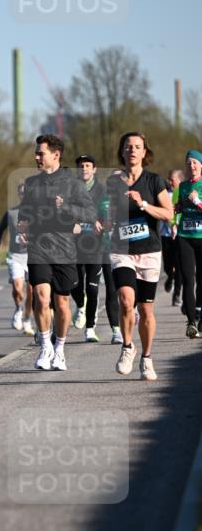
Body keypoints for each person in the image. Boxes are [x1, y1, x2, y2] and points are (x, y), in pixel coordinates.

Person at [18, 134, 97, 372]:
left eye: (40, 153)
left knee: (62, 304)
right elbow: (25, 212)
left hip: (64, 249)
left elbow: (91, 213)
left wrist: (66, 207)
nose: (36, 157)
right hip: (38, 248)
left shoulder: (73, 184)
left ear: (56, 154)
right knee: (41, 298)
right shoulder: (32, 183)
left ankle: (59, 349)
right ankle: (45, 347)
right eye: (36, 153)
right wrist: (23, 226)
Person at [106, 132, 173, 380]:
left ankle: (146, 357)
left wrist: (143, 204)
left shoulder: (154, 181)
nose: (132, 150)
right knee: (125, 300)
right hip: (121, 250)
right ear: (122, 152)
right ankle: (127, 347)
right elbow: (107, 212)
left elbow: (168, 214)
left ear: (144, 153)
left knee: (145, 309)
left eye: (137, 147)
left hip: (149, 251)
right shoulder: (113, 183)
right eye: (128, 147)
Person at [70, 154, 121, 344]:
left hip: (95, 246)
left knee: (92, 289)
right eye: (81, 165)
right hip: (73, 245)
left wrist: (102, 223)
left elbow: (106, 214)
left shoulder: (102, 191)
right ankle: (80, 304)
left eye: (88, 165)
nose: (84, 168)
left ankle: (90, 329)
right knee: (73, 285)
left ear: (94, 169)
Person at [0, 182, 35, 335]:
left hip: (33, 256)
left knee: (31, 291)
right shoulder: (11, 213)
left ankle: (28, 319)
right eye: (22, 193)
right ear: (19, 195)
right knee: (18, 288)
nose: (24, 196)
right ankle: (18, 309)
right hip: (15, 256)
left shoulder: (37, 212)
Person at [174, 149, 202, 338]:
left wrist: (197, 201)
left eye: (194, 162)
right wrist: (176, 211)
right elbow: (177, 208)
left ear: (201, 165)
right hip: (185, 236)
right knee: (187, 279)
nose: (191, 166)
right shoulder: (182, 186)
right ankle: (191, 322)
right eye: (188, 162)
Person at [160, 169, 183, 305]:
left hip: (180, 236)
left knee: (179, 265)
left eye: (172, 179)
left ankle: (177, 295)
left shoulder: (183, 193)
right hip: (165, 235)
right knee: (168, 266)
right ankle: (170, 276)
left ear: (179, 180)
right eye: (168, 179)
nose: (169, 182)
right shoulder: (165, 195)